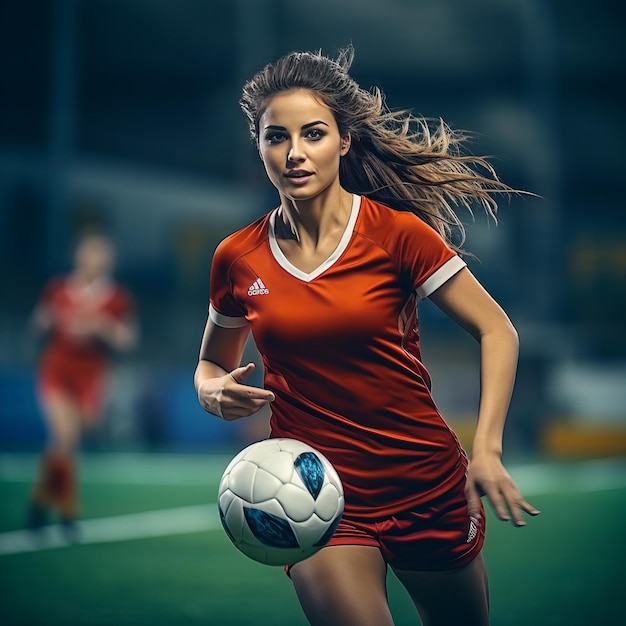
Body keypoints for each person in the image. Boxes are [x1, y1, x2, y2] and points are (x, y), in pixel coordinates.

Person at [195, 46, 539, 626]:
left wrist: (487, 450)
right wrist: (210, 391)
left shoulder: (397, 236)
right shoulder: (237, 256)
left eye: (314, 133)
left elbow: (496, 330)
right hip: (315, 495)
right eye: (276, 137)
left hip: (423, 481)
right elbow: (210, 363)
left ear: (344, 141)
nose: (295, 152)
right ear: (258, 146)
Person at [27, 232, 137, 539]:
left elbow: (128, 340)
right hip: (58, 369)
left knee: (71, 438)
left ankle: (39, 499)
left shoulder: (116, 296)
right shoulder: (59, 289)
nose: (95, 260)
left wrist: (102, 327)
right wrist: (50, 320)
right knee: (65, 436)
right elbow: (38, 323)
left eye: (102, 254)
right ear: (78, 256)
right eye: (90, 253)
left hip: (92, 374)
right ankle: (67, 511)